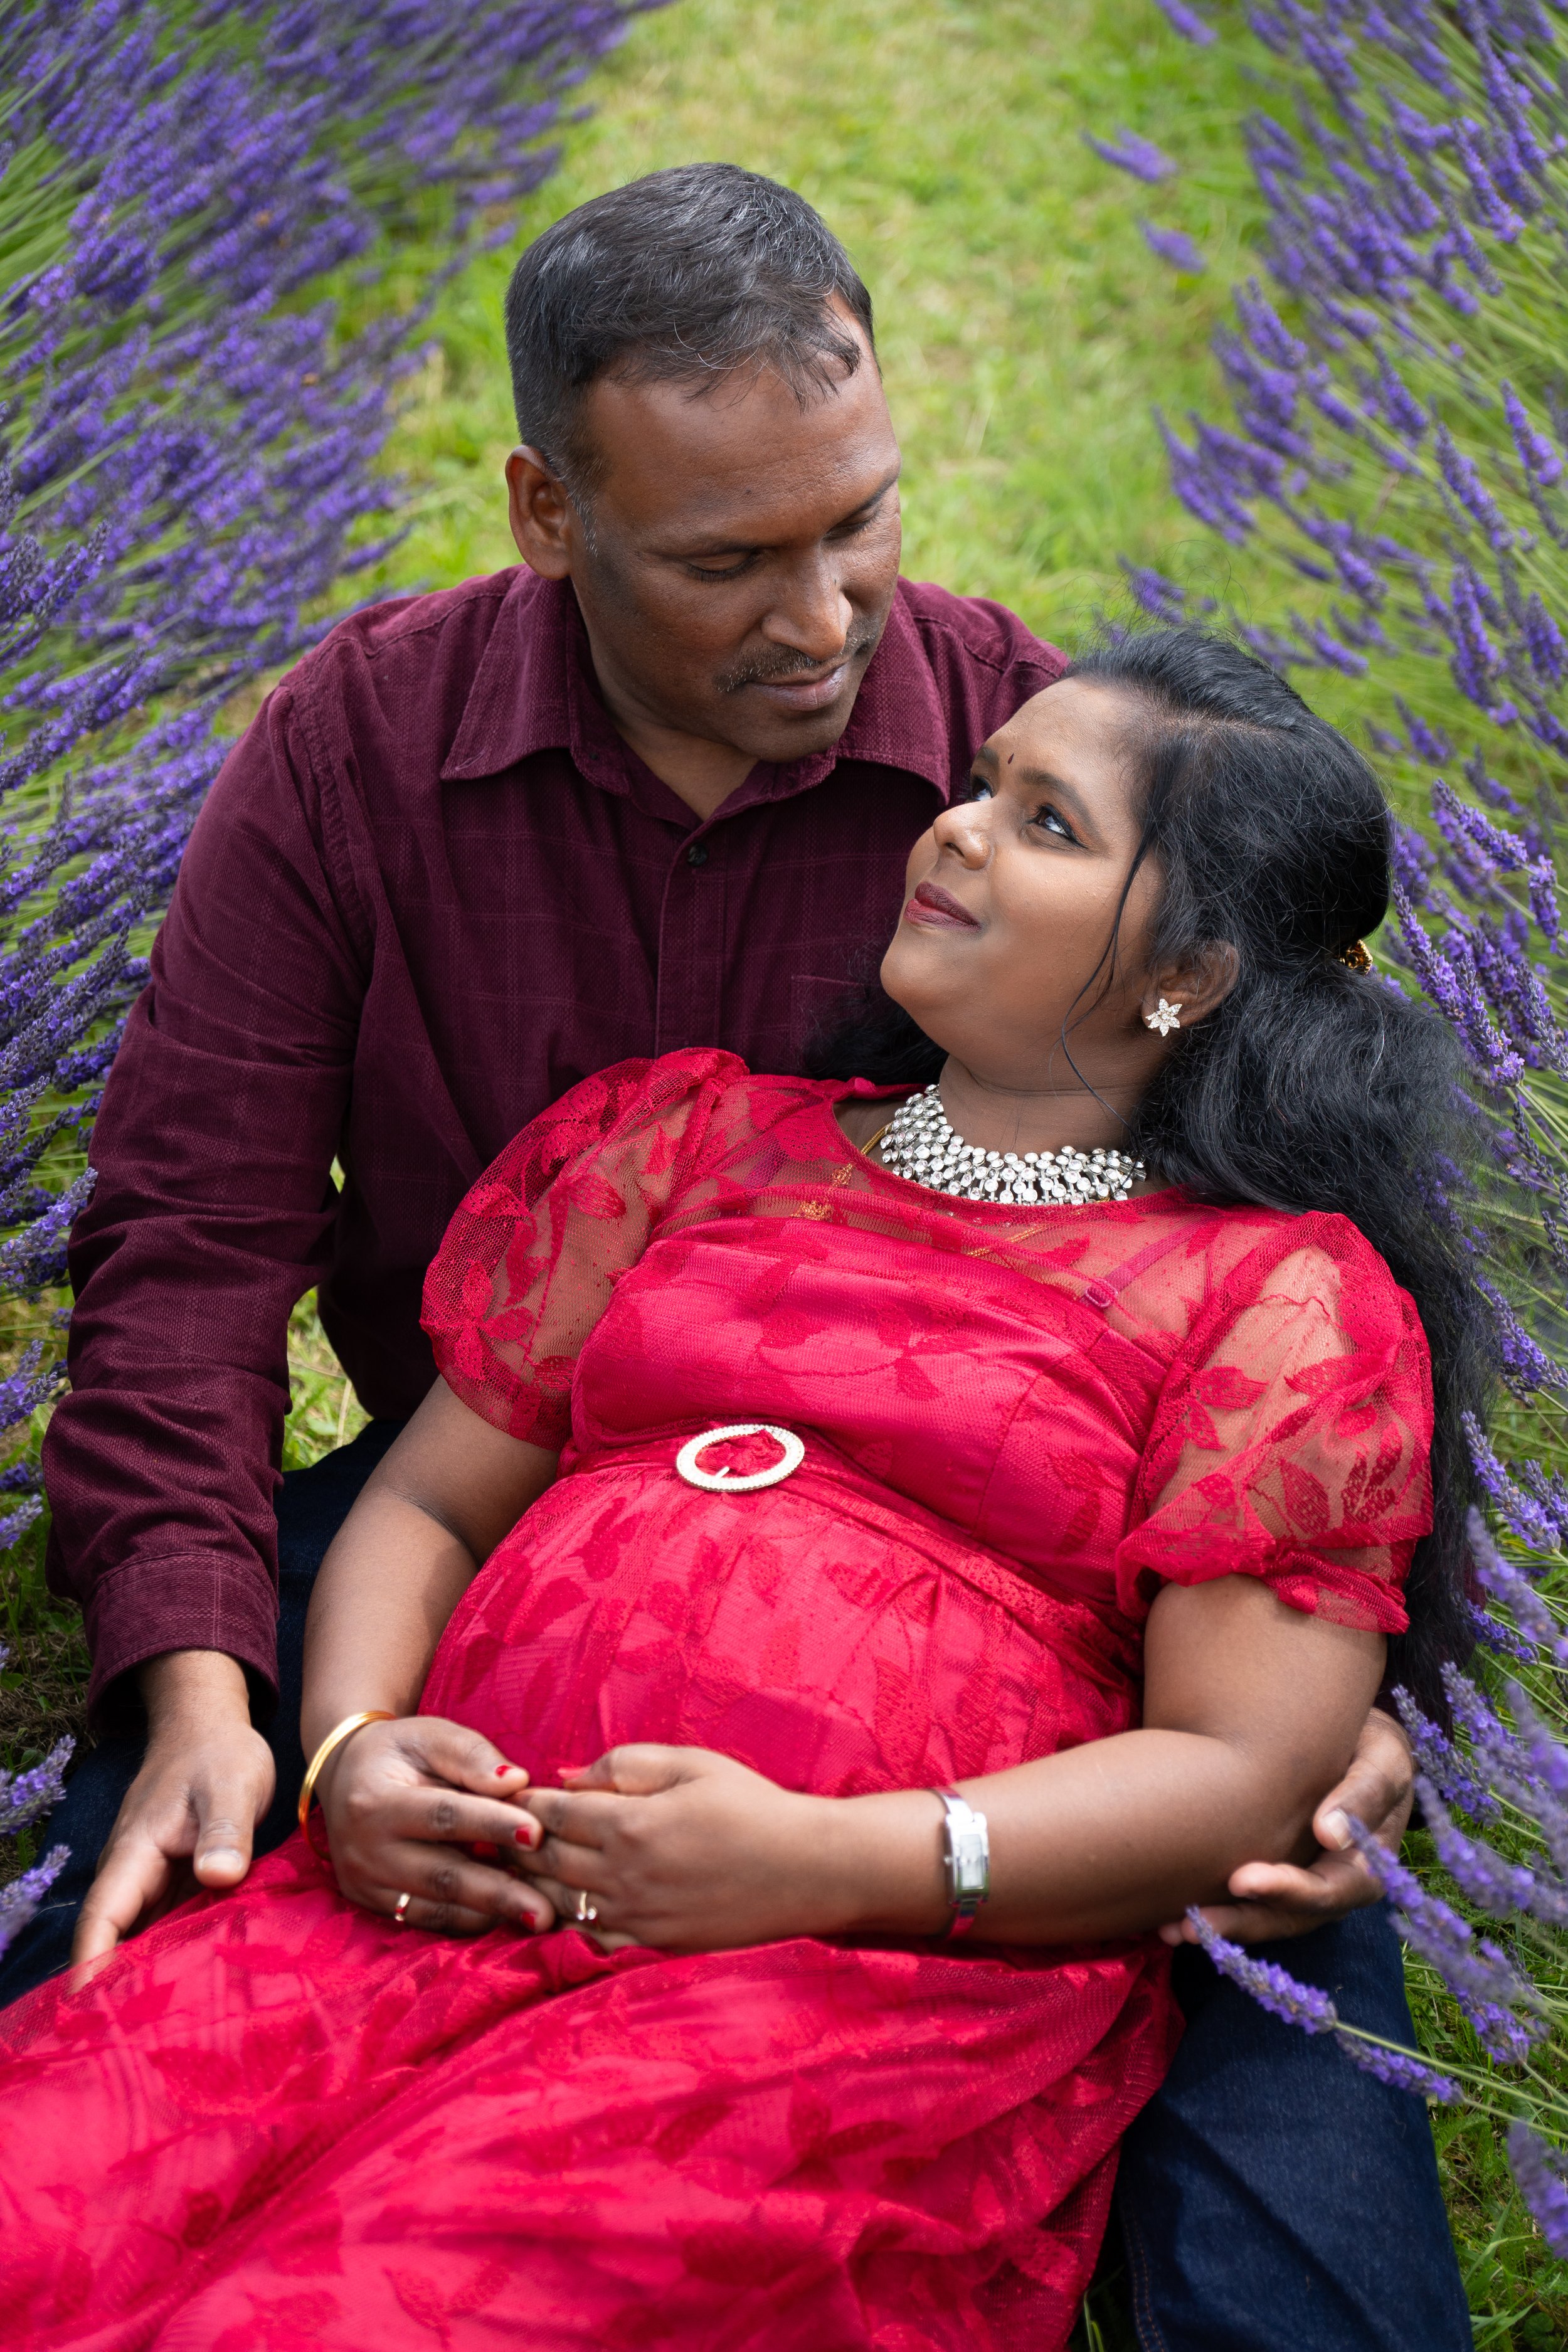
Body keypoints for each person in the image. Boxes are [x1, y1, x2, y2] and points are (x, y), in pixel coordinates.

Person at [0, 170, 1468, 2348]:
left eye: (855, 519)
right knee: (129, 1931)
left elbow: (1240, 1200)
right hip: (495, 1483)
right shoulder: (365, 753)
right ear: (545, 512)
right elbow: (192, 1251)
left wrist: (1312, 1733)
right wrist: (263, 1720)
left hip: (993, 1710)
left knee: (1271, 2037)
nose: (822, 617)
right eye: (725, 559)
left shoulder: (1019, 761)